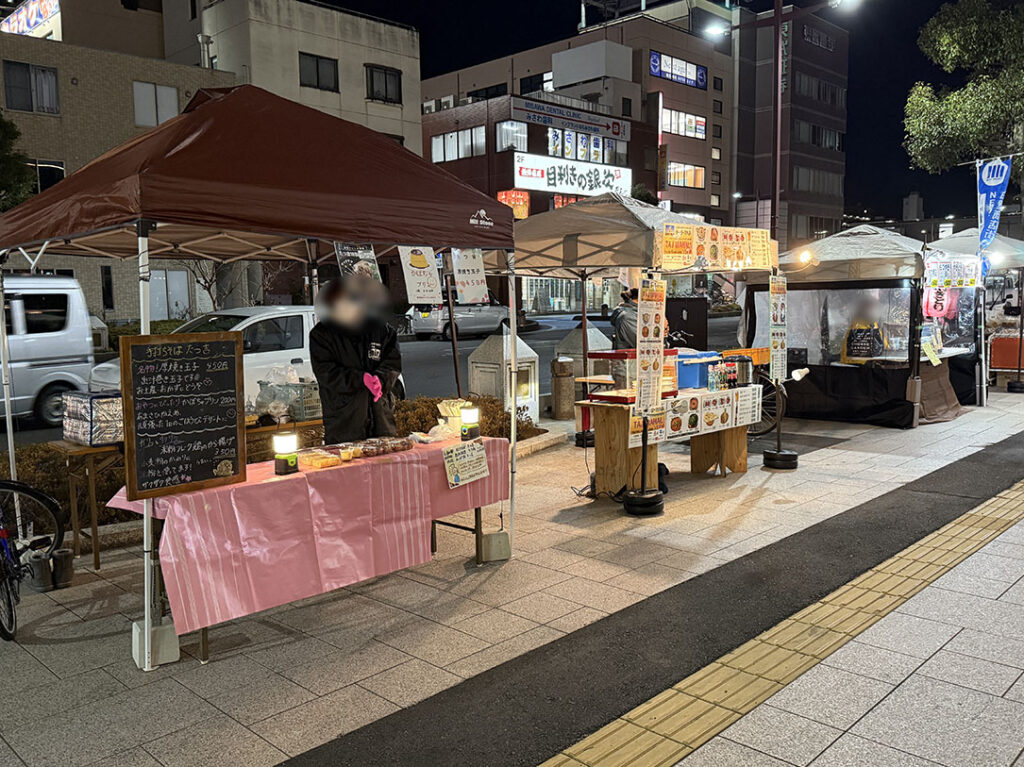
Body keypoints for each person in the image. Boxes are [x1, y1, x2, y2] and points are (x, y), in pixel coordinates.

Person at [310, 275, 402, 443]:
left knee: (384, 463)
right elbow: (326, 372)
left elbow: (393, 364)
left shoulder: (382, 330)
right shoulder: (321, 335)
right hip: (343, 421)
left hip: (381, 418)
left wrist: (380, 380)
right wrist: (361, 379)